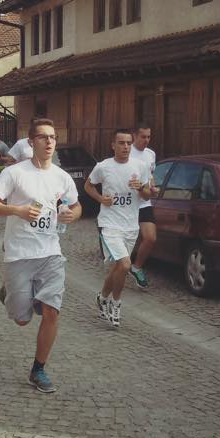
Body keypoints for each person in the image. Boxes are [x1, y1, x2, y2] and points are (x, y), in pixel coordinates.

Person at [0, 118, 82, 394]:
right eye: (43, 137)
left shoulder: (61, 177)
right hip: (19, 254)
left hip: (50, 253)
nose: (49, 142)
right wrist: (18, 210)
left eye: (53, 137)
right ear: (31, 142)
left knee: (52, 312)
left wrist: (72, 214)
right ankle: (11, 293)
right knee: (22, 319)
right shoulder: (15, 173)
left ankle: (38, 369)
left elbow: (76, 206)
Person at [84, 129, 152, 327]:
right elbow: (88, 186)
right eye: (121, 143)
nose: (126, 147)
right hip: (109, 224)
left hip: (130, 226)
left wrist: (141, 187)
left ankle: (102, 297)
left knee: (117, 268)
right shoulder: (103, 167)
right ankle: (116, 302)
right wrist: (101, 199)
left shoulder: (140, 166)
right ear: (113, 145)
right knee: (125, 264)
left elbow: (147, 195)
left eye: (129, 143)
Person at [128, 123, 158, 288]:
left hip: (144, 202)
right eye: (143, 137)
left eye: (149, 137)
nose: (146, 140)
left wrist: (153, 187)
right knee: (127, 239)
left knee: (150, 238)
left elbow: (151, 176)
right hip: (128, 203)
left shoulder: (151, 154)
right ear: (134, 136)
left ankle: (136, 267)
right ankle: (120, 266)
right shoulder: (127, 151)